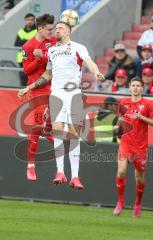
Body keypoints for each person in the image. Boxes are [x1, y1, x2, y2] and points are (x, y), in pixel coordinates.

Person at [18, 21, 104, 189]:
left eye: (60, 28)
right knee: (57, 129)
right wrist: (29, 87)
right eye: (56, 28)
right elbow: (47, 74)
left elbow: (89, 62)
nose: (57, 30)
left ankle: (75, 176)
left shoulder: (78, 47)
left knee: (73, 134)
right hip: (56, 93)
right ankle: (60, 172)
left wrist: (96, 72)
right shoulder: (51, 51)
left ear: (68, 32)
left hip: (74, 93)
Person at [113, 76, 153, 217]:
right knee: (121, 171)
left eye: (138, 85)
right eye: (133, 85)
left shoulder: (148, 104)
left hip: (140, 147)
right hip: (126, 143)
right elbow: (120, 121)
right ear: (129, 88)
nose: (135, 88)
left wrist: (142, 117)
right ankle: (120, 202)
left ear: (142, 88)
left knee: (139, 178)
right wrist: (117, 127)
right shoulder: (123, 103)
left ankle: (138, 204)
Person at [20, 14, 57, 181]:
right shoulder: (28, 46)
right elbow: (27, 70)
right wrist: (37, 59)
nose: (52, 31)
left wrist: (43, 57)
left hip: (53, 86)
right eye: (49, 29)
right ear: (41, 28)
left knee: (55, 115)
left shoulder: (53, 42)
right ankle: (30, 165)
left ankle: (47, 130)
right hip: (37, 90)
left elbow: (56, 60)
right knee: (36, 126)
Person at [14, 13, 37, 86]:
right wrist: (29, 41)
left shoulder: (37, 31)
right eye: (28, 20)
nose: (30, 21)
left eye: (32, 20)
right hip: (22, 59)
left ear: (34, 21)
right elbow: (16, 44)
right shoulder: (20, 31)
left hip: (33, 59)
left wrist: (23, 41)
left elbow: (36, 44)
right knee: (23, 80)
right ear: (25, 20)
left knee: (32, 79)